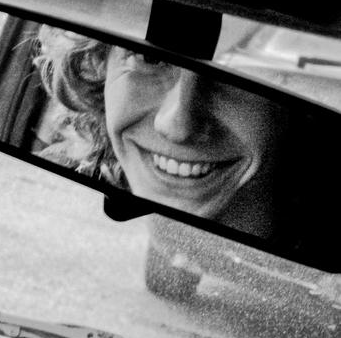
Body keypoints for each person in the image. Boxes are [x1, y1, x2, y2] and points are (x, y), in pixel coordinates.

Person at [32, 25, 290, 241]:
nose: (178, 127)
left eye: (237, 75)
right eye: (150, 58)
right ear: (101, 66)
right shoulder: (57, 187)